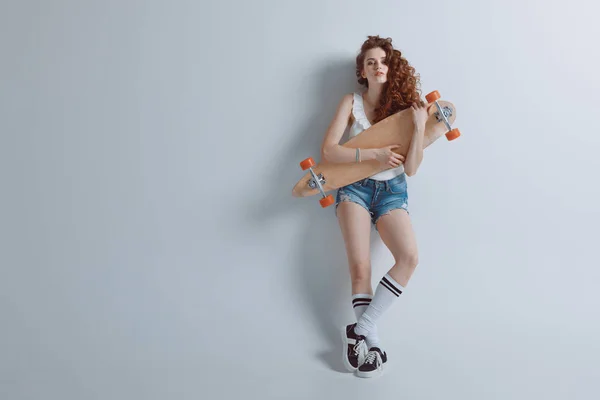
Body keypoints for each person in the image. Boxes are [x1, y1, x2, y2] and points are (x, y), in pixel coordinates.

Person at [320, 35, 429, 378]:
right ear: (363, 71)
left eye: (382, 61)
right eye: (370, 62)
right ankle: (372, 343)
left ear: (390, 67)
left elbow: (410, 169)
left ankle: (359, 330)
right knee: (360, 268)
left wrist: (422, 125)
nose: (377, 66)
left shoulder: (404, 111)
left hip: (393, 190)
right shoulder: (350, 102)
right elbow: (329, 152)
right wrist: (374, 155)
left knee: (409, 258)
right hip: (353, 187)